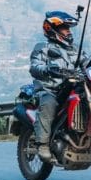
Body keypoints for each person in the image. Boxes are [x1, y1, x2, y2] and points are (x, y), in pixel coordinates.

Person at [29, 11, 81, 161]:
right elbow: (34, 66)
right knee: (49, 103)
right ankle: (43, 144)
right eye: (65, 28)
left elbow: (87, 63)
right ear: (53, 29)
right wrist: (46, 69)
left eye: (69, 28)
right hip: (49, 89)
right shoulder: (43, 47)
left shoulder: (74, 50)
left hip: (70, 88)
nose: (68, 31)